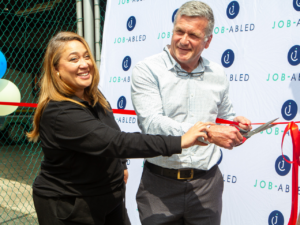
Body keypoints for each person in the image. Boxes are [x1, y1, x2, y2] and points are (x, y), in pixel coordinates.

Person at [27, 31, 211, 225]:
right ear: (56, 69)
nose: (84, 64)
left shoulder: (92, 95)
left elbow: (111, 131)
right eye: (74, 59)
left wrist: (121, 164)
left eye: (86, 56)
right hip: (70, 205)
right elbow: (115, 142)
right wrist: (180, 141)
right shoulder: (60, 113)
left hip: (108, 197)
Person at [131, 1, 252, 225]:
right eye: (179, 31)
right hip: (159, 185)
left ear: (208, 41)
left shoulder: (218, 73)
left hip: (207, 185)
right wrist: (208, 131)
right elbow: (152, 124)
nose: (183, 41)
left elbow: (224, 117)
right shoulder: (147, 70)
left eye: (194, 35)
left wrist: (236, 126)